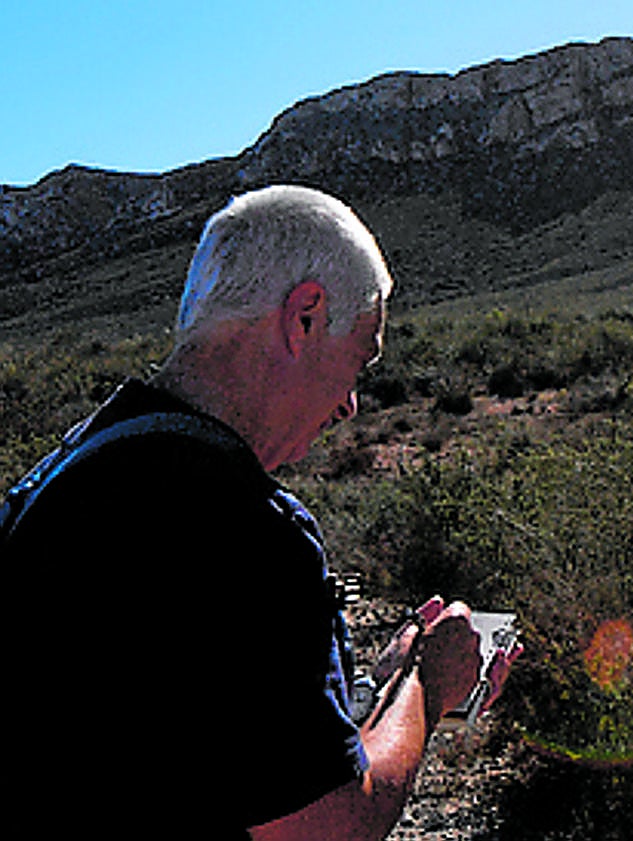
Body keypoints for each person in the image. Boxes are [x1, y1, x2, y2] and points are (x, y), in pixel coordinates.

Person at [3, 185, 516, 839]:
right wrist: (428, 686)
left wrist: (377, 693)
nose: (350, 405)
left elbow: (195, 745)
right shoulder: (245, 528)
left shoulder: (69, 471)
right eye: (360, 358)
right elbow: (328, 824)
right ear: (304, 316)